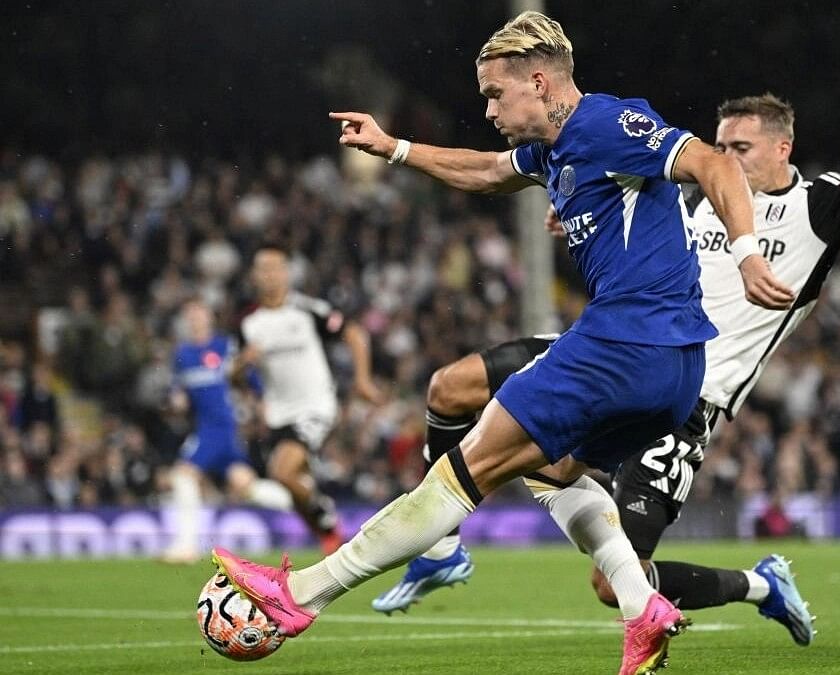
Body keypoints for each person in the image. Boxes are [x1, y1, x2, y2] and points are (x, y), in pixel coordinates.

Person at [211, 11, 792, 674]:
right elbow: (486, 171)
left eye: (494, 93)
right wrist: (393, 147)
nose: (486, 108)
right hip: (676, 372)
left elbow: (712, 162)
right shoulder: (553, 151)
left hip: (622, 343)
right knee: (550, 470)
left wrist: (747, 253)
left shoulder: (605, 123)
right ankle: (642, 605)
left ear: (539, 82)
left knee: (461, 470)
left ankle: (300, 595)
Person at [370, 17, 840, 648]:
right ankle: (442, 547)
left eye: (742, 149)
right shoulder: (694, 196)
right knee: (451, 388)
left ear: (784, 149)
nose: (726, 158)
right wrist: (574, 204)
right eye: (721, 145)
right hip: (618, 346)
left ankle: (759, 586)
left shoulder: (819, 208)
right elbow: (588, 186)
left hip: (686, 393)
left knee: (608, 578)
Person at [237, 245, 383, 555]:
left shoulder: (307, 310)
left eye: (275, 268)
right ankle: (328, 534)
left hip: (315, 407)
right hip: (278, 415)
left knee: (282, 472)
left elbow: (354, 334)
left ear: (287, 273)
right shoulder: (249, 324)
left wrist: (362, 380)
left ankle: (326, 518)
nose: (269, 275)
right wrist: (241, 363)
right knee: (291, 485)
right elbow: (236, 379)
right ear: (254, 275)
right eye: (263, 268)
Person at [160, 299, 294, 564]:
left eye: (199, 314)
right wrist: (177, 401)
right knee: (245, 485)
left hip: (219, 426)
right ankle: (306, 507)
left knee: (182, 475)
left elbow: (251, 377)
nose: (195, 320)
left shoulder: (225, 346)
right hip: (208, 426)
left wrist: (263, 404)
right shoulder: (183, 355)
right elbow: (179, 394)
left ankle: (186, 547)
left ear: (210, 317)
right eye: (191, 316)